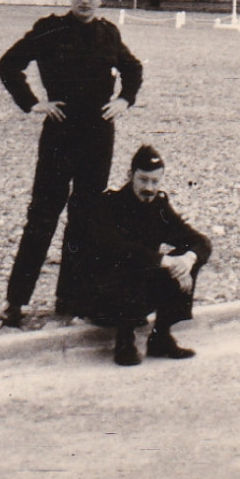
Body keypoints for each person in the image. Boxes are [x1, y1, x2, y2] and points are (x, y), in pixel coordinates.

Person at [0, 0, 142, 328]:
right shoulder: (50, 29)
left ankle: (69, 298)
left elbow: (133, 69)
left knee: (84, 218)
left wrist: (124, 100)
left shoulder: (109, 34)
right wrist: (32, 103)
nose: (85, 2)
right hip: (60, 134)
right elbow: (8, 64)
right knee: (42, 217)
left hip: (98, 135)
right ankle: (16, 303)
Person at [57, 144, 212, 366]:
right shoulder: (109, 205)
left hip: (137, 296)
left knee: (186, 258)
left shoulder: (158, 207)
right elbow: (118, 250)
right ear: (130, 175)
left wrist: (187, 260)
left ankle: (161, 337)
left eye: (155, 181)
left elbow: (200, 241)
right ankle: (124, 342)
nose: (149, 188)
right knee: (131, 264)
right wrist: (164, 261)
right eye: (143, 180)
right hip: (104, 301)